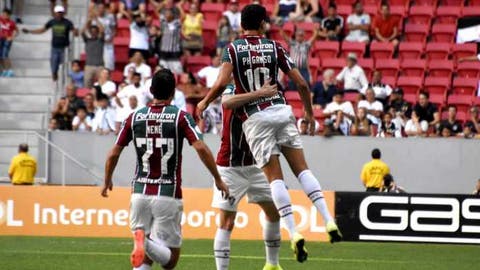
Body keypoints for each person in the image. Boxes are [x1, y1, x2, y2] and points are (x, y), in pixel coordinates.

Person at [197, 5, 342, 263]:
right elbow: (302, 83)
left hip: (254, 135)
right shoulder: (275, 47)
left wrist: (204, 101)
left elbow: (223, 93)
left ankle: (282, 251)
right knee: (302, 170)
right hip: (266, 125)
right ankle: (327, 220)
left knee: (270, 194)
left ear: (241, 25)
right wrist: (308, 114)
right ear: (264, 23)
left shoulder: (233, 53)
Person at [101, 69, 229, 270]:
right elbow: (201, 148)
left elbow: (113, 153)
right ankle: (144, 241)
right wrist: (218, 178)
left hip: (139, 192)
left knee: (146, 259)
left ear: (151, 90)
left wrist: (107, 179)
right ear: (173, 93)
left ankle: (143, 240)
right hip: (168, 193)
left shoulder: (134, 118)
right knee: (170, 260)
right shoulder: (181, 117)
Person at [213, 84, 283, 270]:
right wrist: (260, 94)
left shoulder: (267, 90)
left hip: (257, 163)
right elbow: (227, 103)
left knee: (274, 212)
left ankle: (272, 264)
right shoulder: (232, 88)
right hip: (230, 166)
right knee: (227, 222)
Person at [22, 5, 78, 81]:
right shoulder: (52, 22)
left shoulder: (67, 22)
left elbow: (74, 32)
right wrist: (30, 31)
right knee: (54, 65)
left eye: (60, 12)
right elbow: (42, 30)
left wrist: (75, 31)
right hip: (55, 48)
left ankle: (63, 80)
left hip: (64, 48)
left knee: (64, 66)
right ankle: (54, 76)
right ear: (55, 13)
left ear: (63, 13)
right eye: (58, 12)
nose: (59, 14)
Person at [82, 14, 105, 88]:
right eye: (92, 31)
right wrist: (88, 21)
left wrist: (96, 20)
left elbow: (102, 30)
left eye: (95, 31)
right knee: (87, 83)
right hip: (89, 65)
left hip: (100, 65)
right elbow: (82, 32)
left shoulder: (100, 40)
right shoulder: (87, 40)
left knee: (102, 84)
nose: (93, 33)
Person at [158, 8, 183, 74]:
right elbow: (157, 11)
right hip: (164, 50)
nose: (166, 15)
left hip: (174, 51)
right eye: (165, 13)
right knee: (163, 69)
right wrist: (163, 3)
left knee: (176, 69)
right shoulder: (163, 22)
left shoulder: (177, 23)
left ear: (172, 15)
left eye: (168, 13)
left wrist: (179, 6)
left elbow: (183, 16)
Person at [95, 2, 116, 71]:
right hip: (97, 43)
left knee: (108, 63)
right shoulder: (94, 19)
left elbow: (114, 29)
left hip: (108, 42)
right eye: (99, 8)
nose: (101, 9)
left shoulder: (110, 17)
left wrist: (111, 38)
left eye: (102, 8)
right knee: (98, 63)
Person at [0, 8, 17, 77]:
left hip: (7, 40)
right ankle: (4, 70)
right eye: (3, 14)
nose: (3, 15)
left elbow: (16, 31)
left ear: (9, 15)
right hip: (0, 39)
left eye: (5, 15)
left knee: (5, 55)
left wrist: (12, 37)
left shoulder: (11, 23)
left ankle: (10, 70)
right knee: (0, 56)